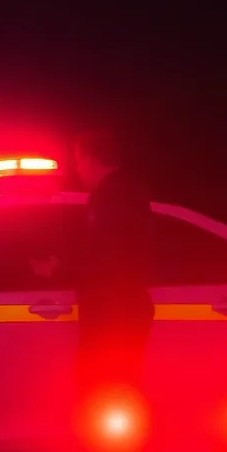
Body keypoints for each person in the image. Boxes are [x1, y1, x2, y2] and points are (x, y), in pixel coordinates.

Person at [71, 127, 155, 408]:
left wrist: (63, 269)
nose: (79, 170)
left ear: (92, 161)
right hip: (127, 308)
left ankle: (113, 446)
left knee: (109, 387)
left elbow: (103, 255)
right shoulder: (130, 192)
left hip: (112, 313)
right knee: (123, 388)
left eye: (79, 162)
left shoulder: (108, 197)